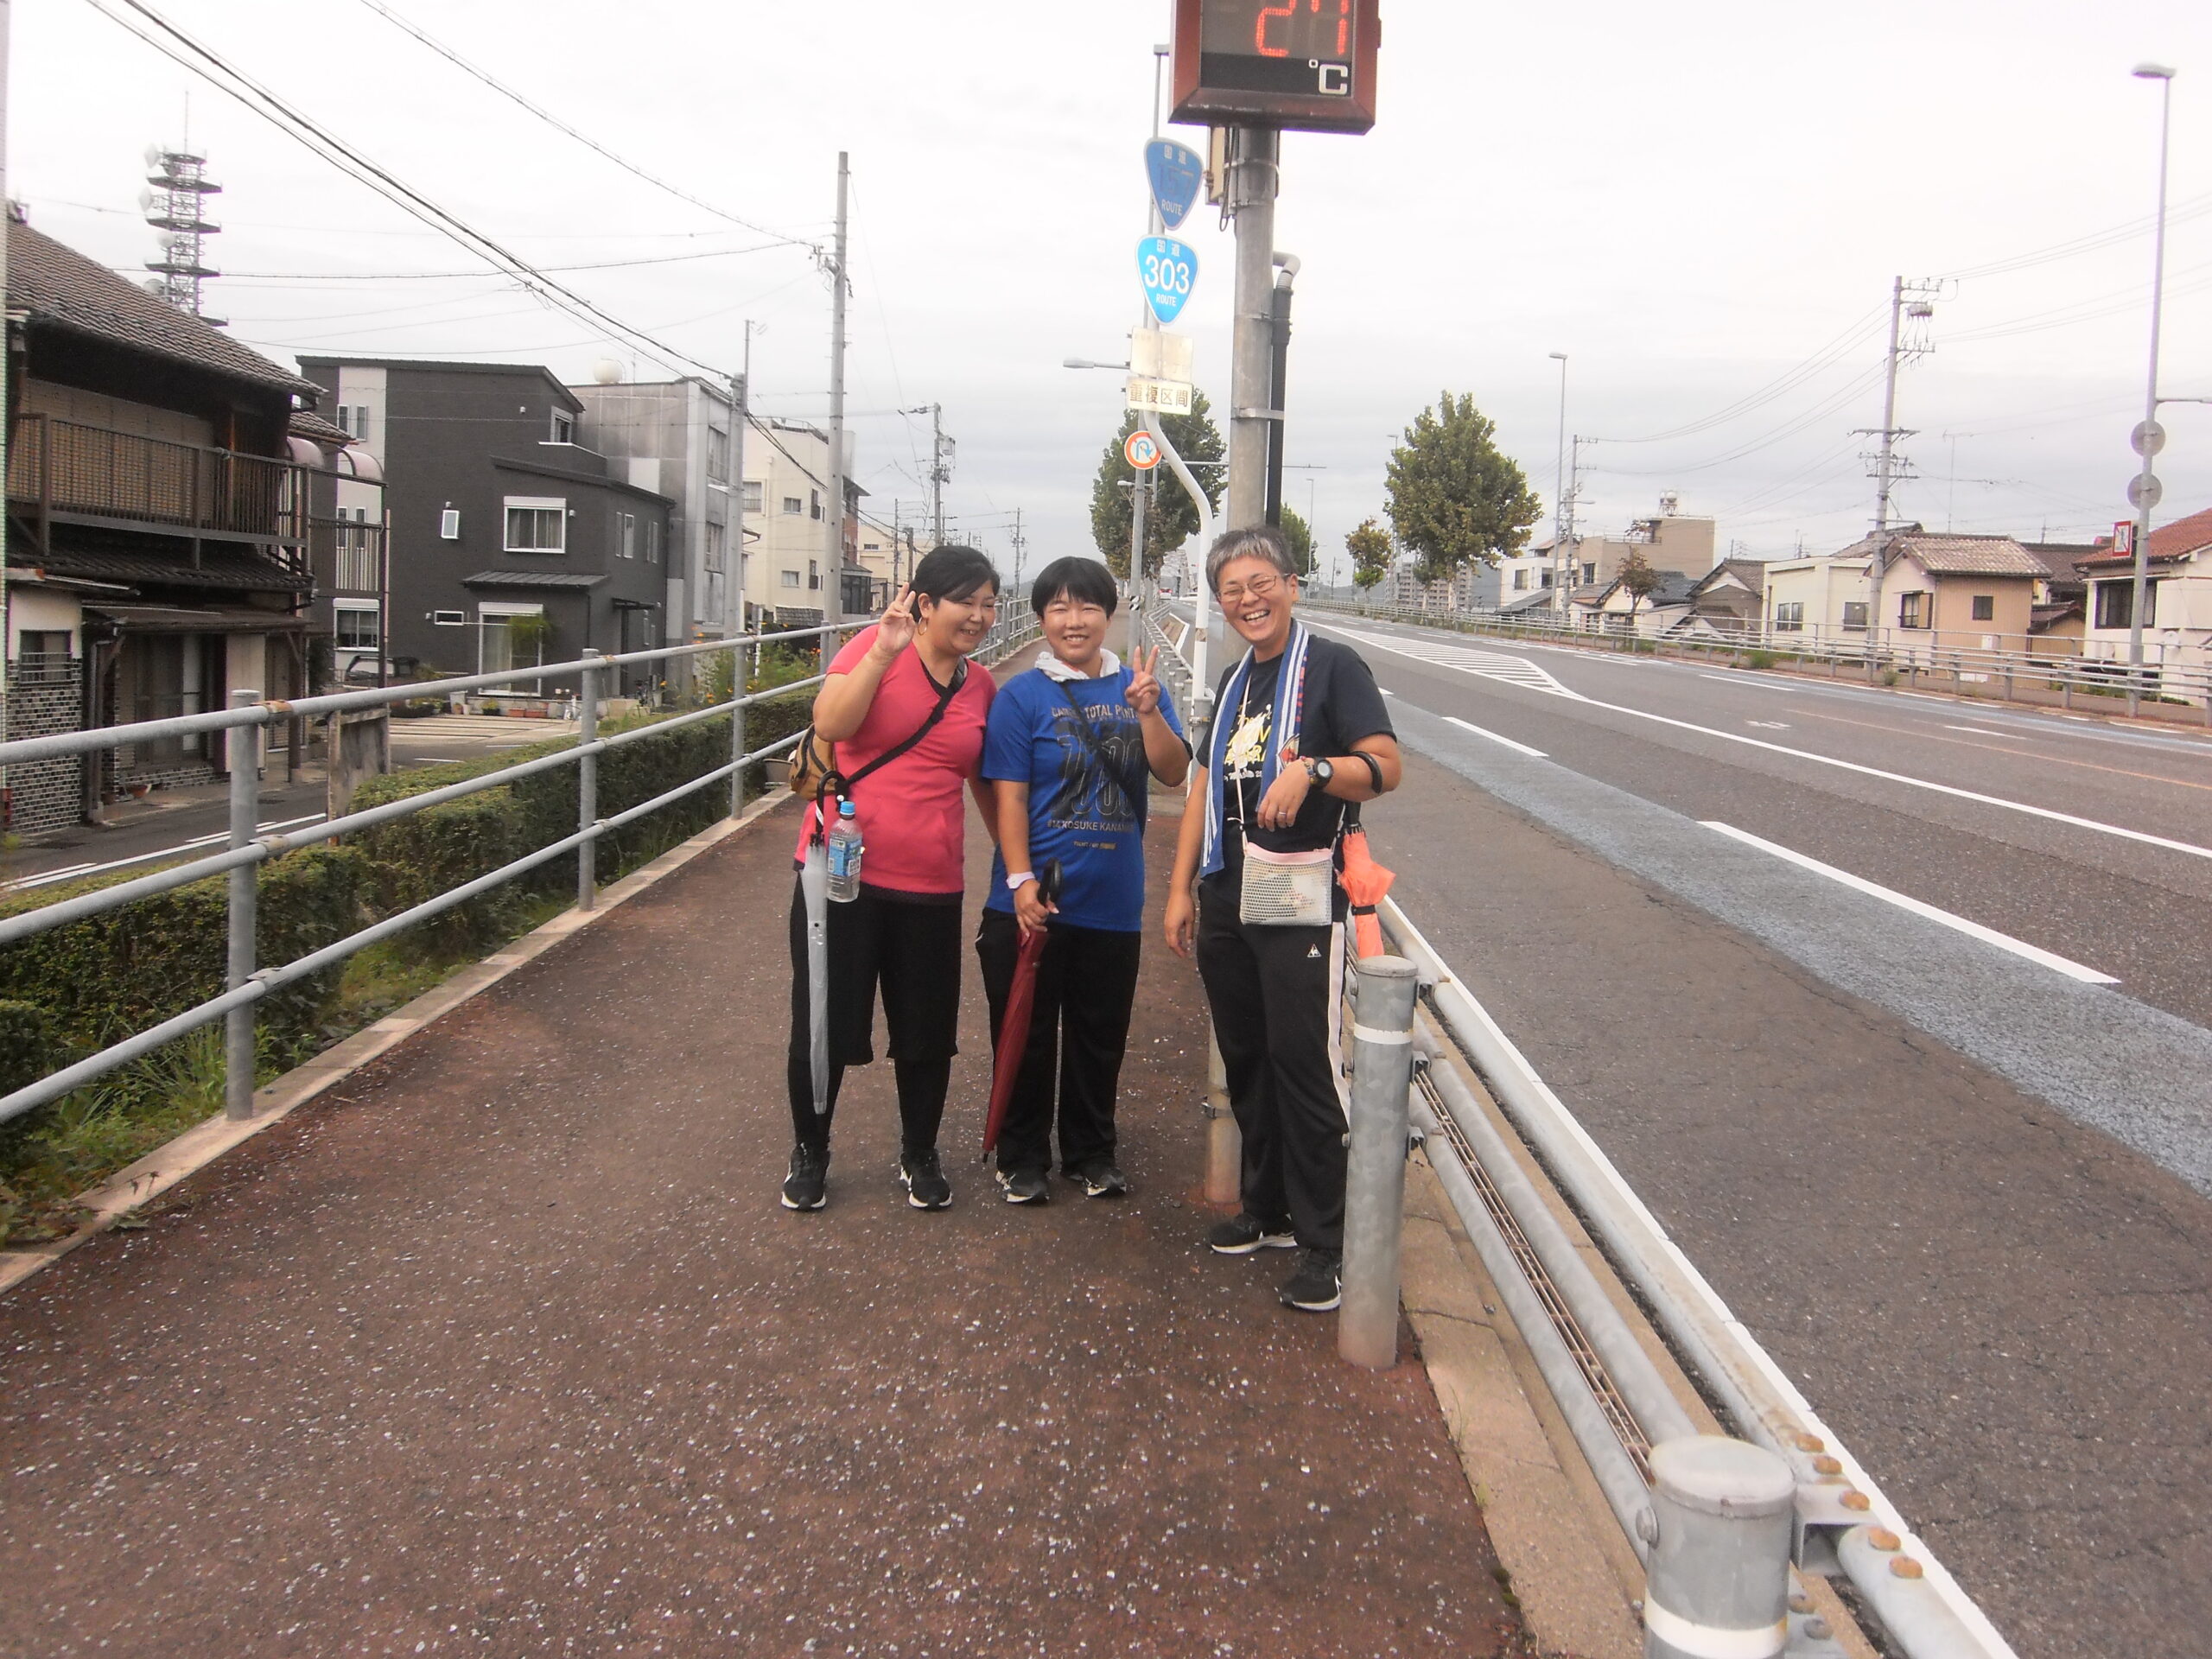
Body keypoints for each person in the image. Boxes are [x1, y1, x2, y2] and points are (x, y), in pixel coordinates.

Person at [1163, 526, 1402, 1312]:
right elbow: (1200, 789)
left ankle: (1328, 1242)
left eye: (1261, 581)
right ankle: (1266, 1210)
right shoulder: (1234, 683)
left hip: (1297, 888)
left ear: (1293, 585)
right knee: (1249, 1056)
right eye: (1232, 589)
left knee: (1303, 1060)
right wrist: (1178, 893)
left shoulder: (1330, 667)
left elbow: (1386, 768)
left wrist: (1315, 769)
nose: (1247, 599)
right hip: (1230, 889)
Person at [781, 545, 1001, 1214]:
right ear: (924, 603)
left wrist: (1014, 867)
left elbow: (985, 784)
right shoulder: (870, 651)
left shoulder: (981, 687)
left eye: (990, 604)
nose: (981, 616)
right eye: (967, 601)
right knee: (823, 1018)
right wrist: (882, 651)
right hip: (840, 873)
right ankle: (811, 1151)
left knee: (927, 1029)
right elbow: (832, 723)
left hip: (931, 882)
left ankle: (919, 1153)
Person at [976, 556, 1190, 1205]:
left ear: (1108, 614)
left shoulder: (1140, 686)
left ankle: (1092, 1152)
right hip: (1031, 901)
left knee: (1100, 1036)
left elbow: (1175, 773)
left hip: (1113, 899)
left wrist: (1150, 714)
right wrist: (1019, 881)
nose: (1075, 621)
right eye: (1060, 608)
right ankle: (1021, 1157)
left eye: (1088, 607)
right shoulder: (1021, 697)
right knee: (1026, 1034)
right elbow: (1008, 798)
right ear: (1041, 619)